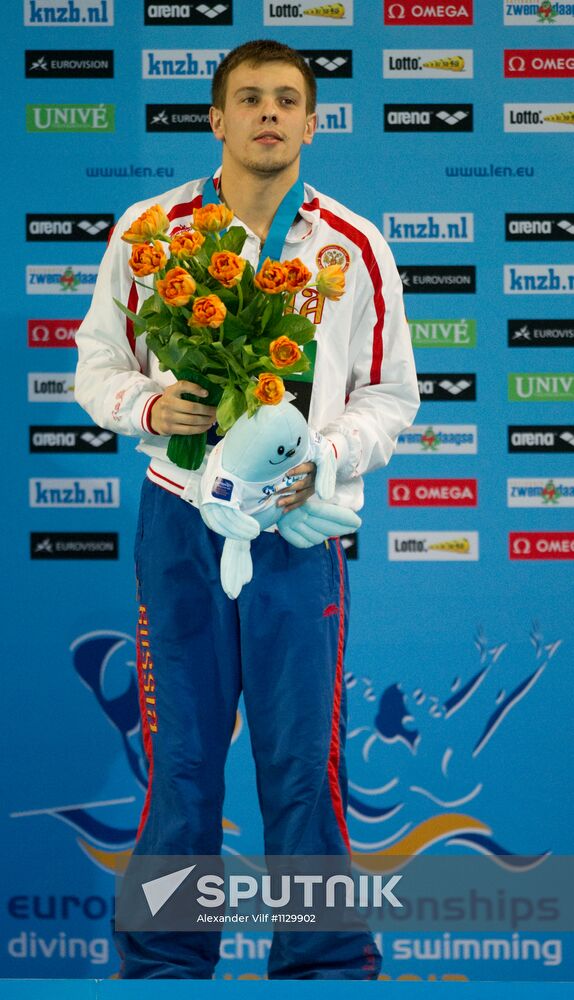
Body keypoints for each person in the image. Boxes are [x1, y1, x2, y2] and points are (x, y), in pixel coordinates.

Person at [75, 39, 419, 980]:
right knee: (181, 762)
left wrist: (330, 456)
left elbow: (392, 394)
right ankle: (166, 964)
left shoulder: (354, 247)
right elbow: (95, 364)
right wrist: (148, 406)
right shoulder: (151, 234)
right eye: (249, 98)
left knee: (302, 767)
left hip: (298, 538)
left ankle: (324, 964)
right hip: (180, 527)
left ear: (312, 124)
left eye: (287, 100)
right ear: (216, 119)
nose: (268, 114)